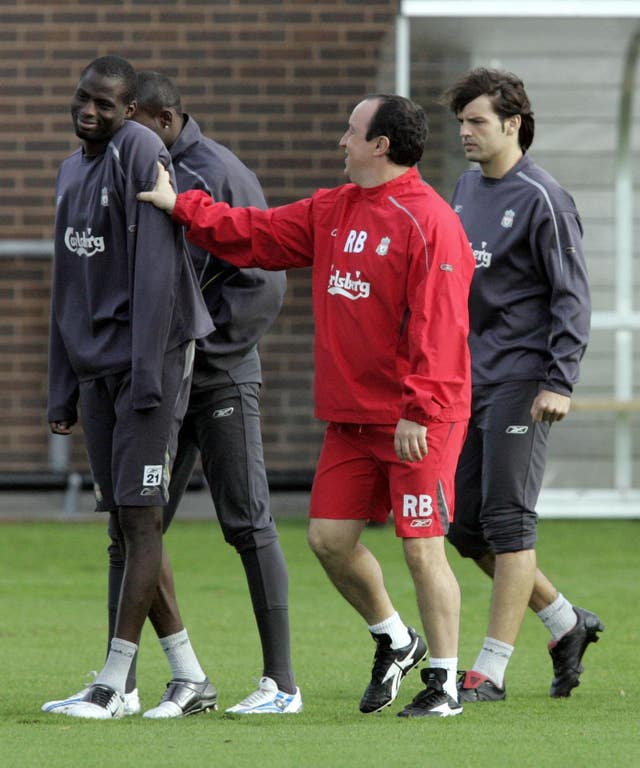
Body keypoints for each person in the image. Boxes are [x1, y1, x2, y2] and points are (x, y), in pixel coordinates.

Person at [138, 93, 475, 718]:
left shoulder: (430, 221)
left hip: (416, 419)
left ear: (381, 145)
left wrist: (418, 409)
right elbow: (257, 235)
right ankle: (396, 639)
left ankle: (445, 685)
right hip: (351, 417)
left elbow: (441, 325)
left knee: (422, 544)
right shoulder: (336, 208)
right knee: (327, 540)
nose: (339, 143)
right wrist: (180, 205)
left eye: (350, 132)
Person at [43, 71, 300, 717]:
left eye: (123, 114)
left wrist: (193, 352)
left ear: (153, 118)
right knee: (133, 525)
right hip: (153, 370)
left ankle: (281, 683)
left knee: (246, 523)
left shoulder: (216, 171)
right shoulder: (112, 168)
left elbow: (263, 284)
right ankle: (134, 684)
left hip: (212, 373)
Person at [46, 55, 214, 720]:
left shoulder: (138, 149)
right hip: (98, 372)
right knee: (124, 521)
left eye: (106, 104)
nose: (90, 111)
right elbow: (67, 283)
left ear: (130, 110)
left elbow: (156, 271)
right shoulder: (69, 169)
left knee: (141, 519)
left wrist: (148, 374)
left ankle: (115, 684)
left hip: (150, 365)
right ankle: (190, 677)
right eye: (83, 98)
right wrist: (60, 387)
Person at [440, 67, 604, 702]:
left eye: (477, 121)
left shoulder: (544, 198)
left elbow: (574, 299)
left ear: (513, 123)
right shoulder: (463, 186)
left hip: (523, 379)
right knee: (465, 529)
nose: (466, 133)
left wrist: (559, 380)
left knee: (509, 522)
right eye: (462, 122)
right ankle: (567, 624)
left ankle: (490, 671)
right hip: (468, 378)